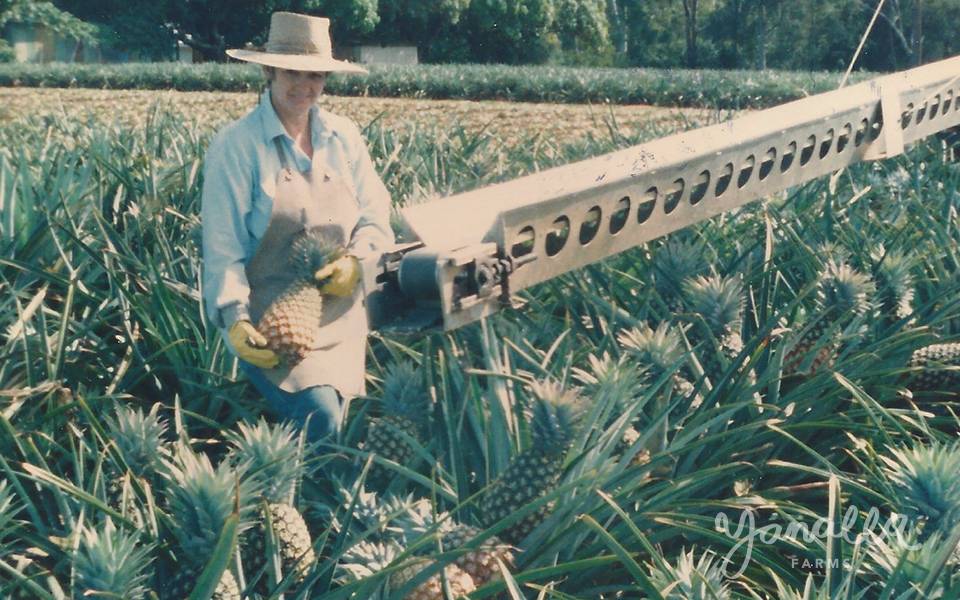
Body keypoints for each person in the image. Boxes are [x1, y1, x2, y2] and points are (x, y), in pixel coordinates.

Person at [201, 12, 393, 443]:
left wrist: (358, 262)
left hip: (340, 314)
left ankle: (312, 505)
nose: (304, 86)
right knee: (319, 416)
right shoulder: (237, 146)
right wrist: (235, 317)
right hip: (270, 320)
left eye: (316, 76)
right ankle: (296, 507)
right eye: (292, 72)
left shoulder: (343, 136)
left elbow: (376, 214)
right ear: (269, 70)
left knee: (333, 434)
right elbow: (221, 244)